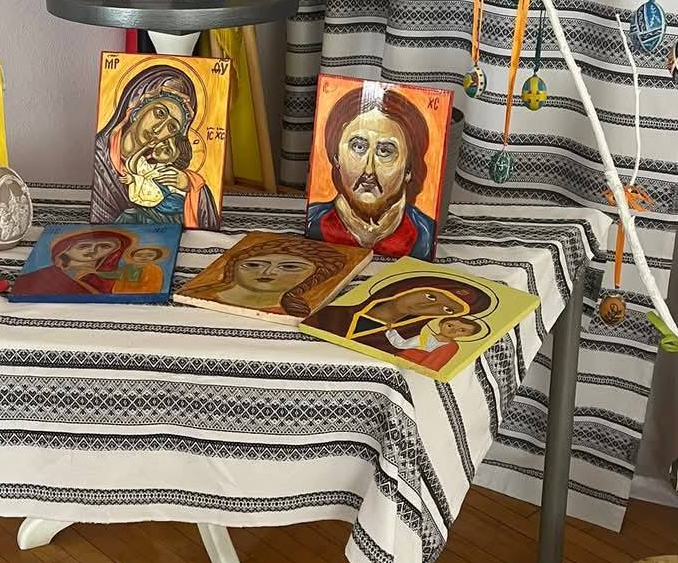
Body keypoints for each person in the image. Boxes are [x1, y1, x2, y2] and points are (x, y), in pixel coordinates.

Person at [306, 84, 437, 258]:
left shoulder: (425, 234)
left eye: (385, 151)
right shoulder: (313, 222)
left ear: (409, 169)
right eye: (358, 147)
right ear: (337, 158)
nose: (369, 170)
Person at [91, 63, 219, 228]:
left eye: (172, 127)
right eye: (159, 113)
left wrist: (189, 185)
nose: (159, 130)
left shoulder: (158, 165)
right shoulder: (102, 157)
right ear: (137, 108)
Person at [308, 275, 496, 364]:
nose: (427, 306)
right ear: (408, 287)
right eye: (430, 296)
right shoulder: (330, 314)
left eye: (447, 310)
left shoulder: (412, 343)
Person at [184, 236, 351, 317]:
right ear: (233, 267)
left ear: (316, 275)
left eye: (289, 267)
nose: (268, 272)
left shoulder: (294, 312)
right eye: (253, 265)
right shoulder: (196, 295)